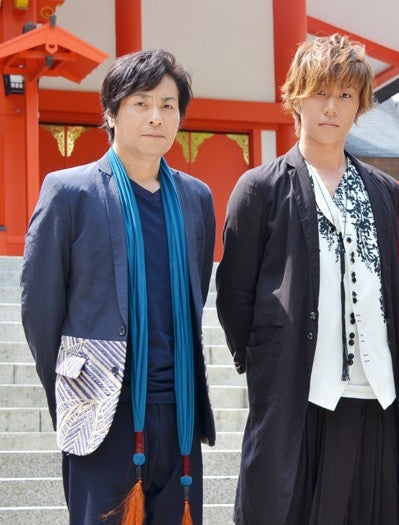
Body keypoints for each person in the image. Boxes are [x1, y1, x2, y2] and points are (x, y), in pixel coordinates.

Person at [215, 34, 399, 525]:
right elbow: (234, 296)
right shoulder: (260, 188)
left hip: (377, 393)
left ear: (360, 104)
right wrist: (269, 360)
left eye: (345, 95)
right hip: (299, 393)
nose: (332, 107)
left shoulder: (385, 192)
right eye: (320, 92)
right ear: (295, 97)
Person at [20, 49, 216, 524]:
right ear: (111, 113)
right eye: (140, 103)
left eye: (168, 105)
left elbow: (197, 291)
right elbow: (39, 308)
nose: (156, 117)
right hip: (102, 408)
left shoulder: (196, 198)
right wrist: (74, 389)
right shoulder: (71, 192)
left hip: (179, 407)